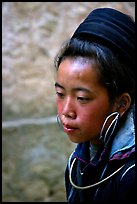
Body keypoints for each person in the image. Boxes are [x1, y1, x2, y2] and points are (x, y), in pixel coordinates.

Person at [54, 7, 135, 203]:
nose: (66, 111)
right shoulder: (77, 163)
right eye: (60, 94)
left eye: (82, 98)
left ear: (121, 103)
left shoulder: (131, 176)